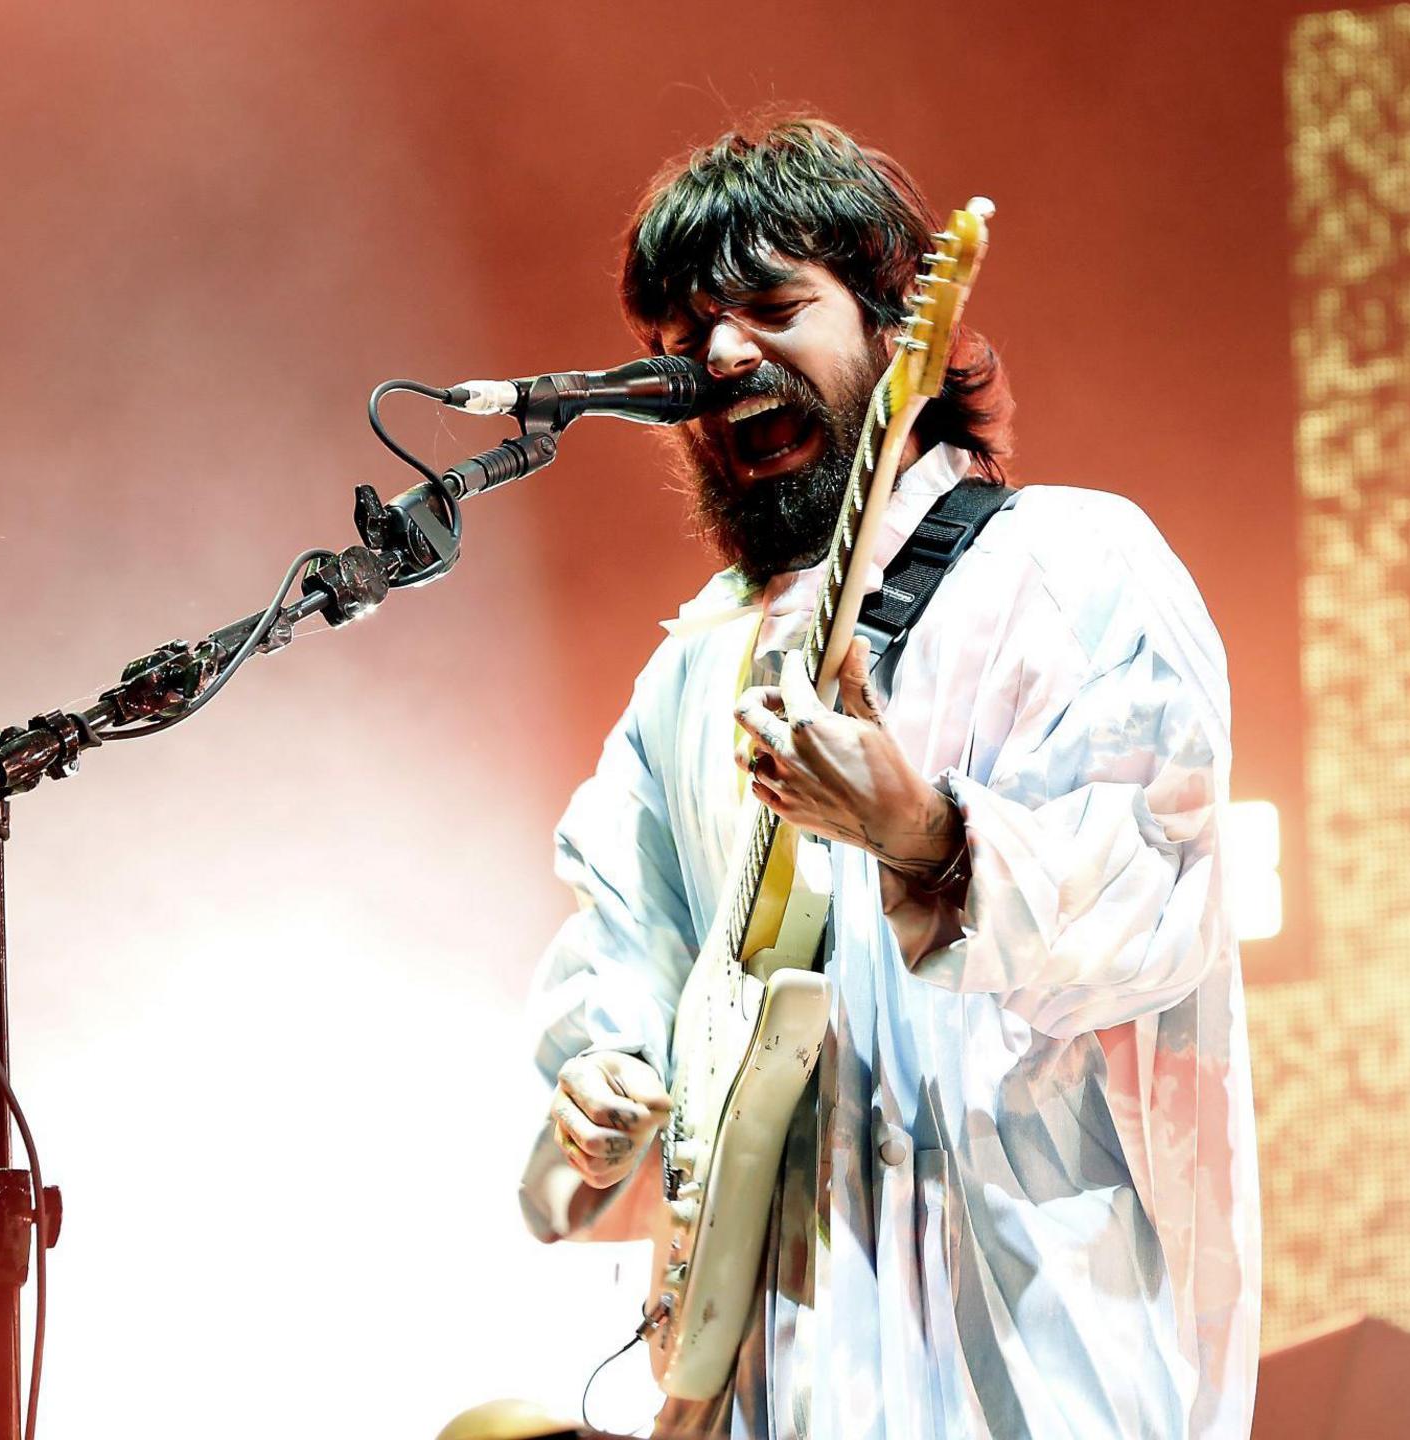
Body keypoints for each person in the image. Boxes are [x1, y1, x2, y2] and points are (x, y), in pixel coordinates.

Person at [517, 117, 1259, 1439]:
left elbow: (1153, 909)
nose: (724, 358)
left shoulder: (1070, 566)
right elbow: (622, 959)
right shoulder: (689, 676)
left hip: (1021, 1361)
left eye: (769, 307)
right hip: (766, 1373)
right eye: (686, 340)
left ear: (890, 323)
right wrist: (601, 1088)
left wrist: (922, 831)